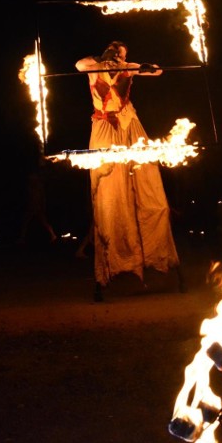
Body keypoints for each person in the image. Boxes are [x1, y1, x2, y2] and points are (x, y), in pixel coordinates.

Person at [75, 41, 184, 301]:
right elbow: (78, 65)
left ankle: (163, 260)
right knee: (107, 195)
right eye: (112, 47)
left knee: (150, 190)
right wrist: (103, 58)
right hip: (103, 127)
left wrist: (135, 66)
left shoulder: (129, 67)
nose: (115, 49)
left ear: (125, 55)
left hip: (130, 125)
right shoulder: (95, 66)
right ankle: (106, 273)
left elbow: (157, 71)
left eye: (119, 49)